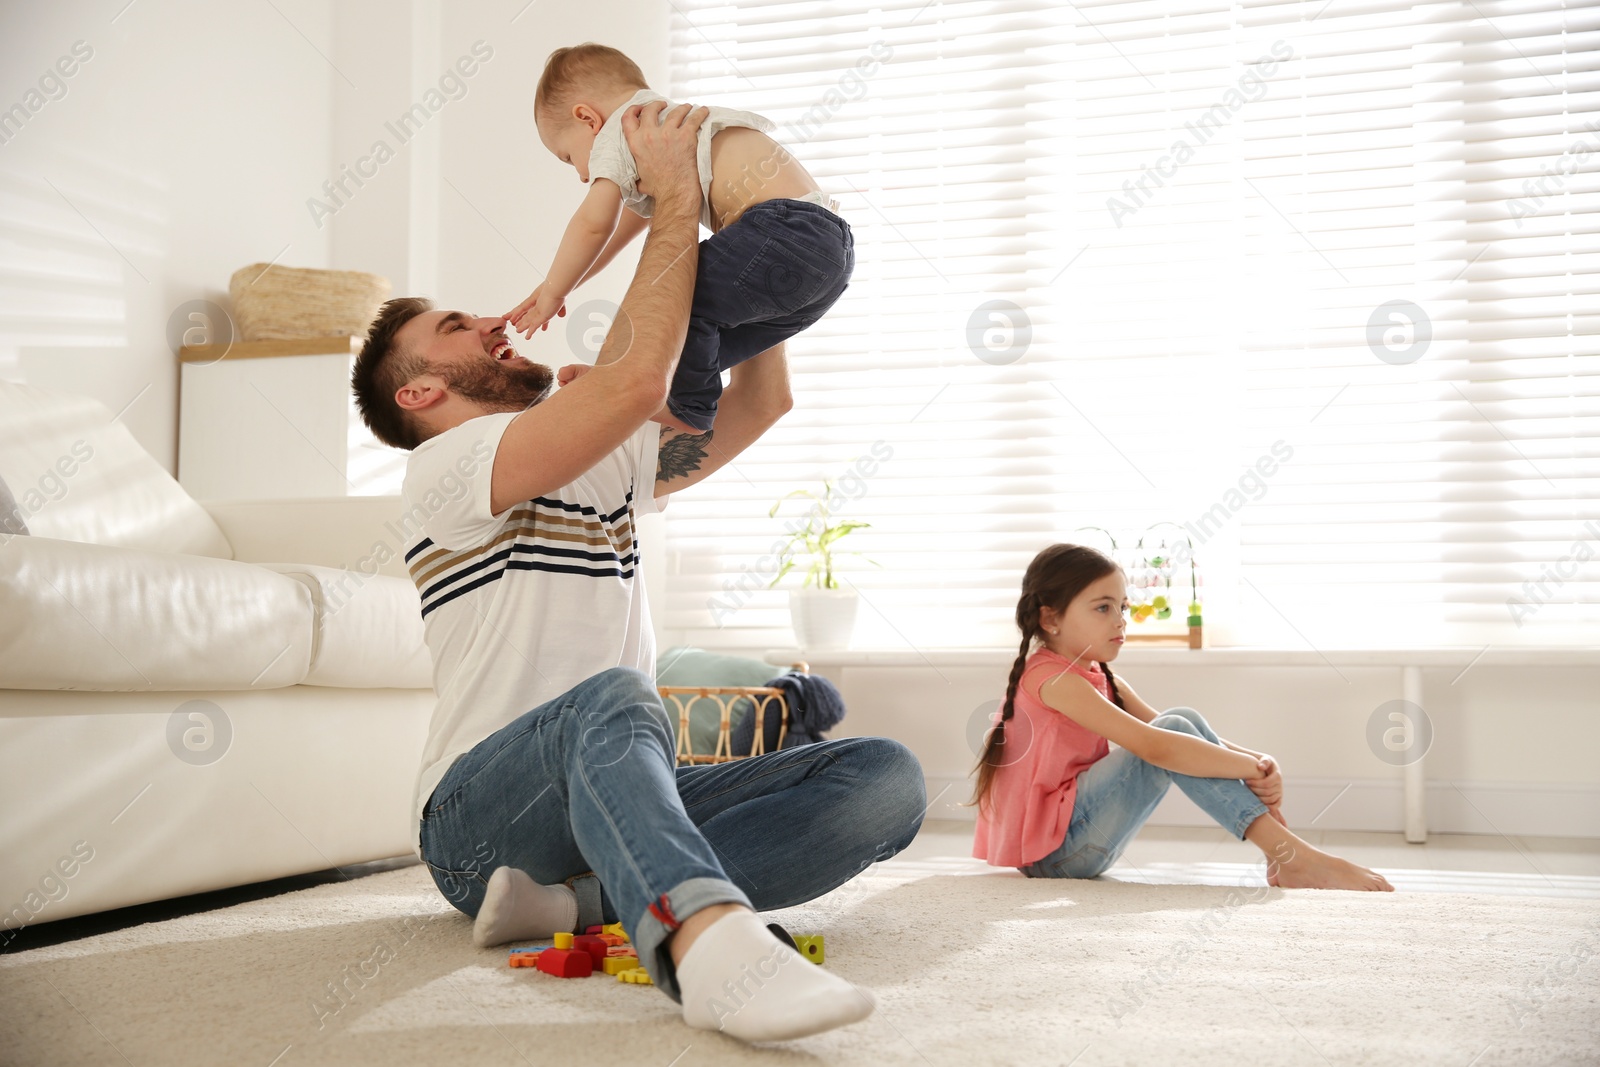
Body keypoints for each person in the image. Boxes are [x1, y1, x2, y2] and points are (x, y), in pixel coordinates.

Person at [350, 99, 926, 1043]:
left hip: (595, 803)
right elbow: (637, 382)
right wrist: (673, 196)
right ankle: (707, 947)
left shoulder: (601, 457)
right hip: (478, 820)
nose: (495, 324)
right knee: (615, 696)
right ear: (421, 392)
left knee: (885, 777)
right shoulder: (443, 467)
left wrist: (727, 243)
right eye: (458, 328)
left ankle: (578, 902)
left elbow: (764, 399)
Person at [969, 543, 1393, 892]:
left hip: (1078, 843)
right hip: (1056, 857)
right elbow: (1158, 746)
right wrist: (1247, 768)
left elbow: (1172, 729)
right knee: (1170, 731)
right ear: (1050, 617)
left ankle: (1286, 855)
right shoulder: (1052, 679)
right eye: (1103, 608)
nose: (1120, 620)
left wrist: (1260, 760)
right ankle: (1292, 855)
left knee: (1179, 716)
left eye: (1122, 606)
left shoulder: (1097, 674)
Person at [506, 42, 853, 435]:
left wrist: (553, 291)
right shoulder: (662, 123)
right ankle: (636, 381)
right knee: (700, 337)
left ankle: (688, 407)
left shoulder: (624, 129)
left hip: (781, 231)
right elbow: (626, 226)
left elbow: (593, 225)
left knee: (673, 299)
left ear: (587, 118)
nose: (583, 175)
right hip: (829, 251)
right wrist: (568, 284)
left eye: (568, 157)